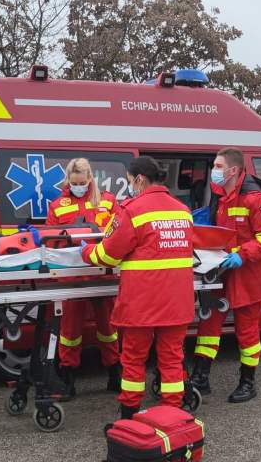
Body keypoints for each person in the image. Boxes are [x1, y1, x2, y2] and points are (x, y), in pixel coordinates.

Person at [81, 157, 194, 416]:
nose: (130, 186)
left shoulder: (132, 210)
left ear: (139, 179)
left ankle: (129, 415)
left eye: (130, 181)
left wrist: (85, 252)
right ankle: (173, 415)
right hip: (177, 301)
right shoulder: (182, 210)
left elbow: (107, 256)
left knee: (133, 359)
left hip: (143, 302)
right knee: (172, 358)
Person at [186, 149, 261, 405]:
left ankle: (247, 381)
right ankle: (201, 376)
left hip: (248, 271)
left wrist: (242, 255)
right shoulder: (221, 196)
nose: (215, 170)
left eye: (218, 165)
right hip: (222, 269)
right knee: (209, 322)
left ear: (233, 170)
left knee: (247, 328)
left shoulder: (257, 200)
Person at [47, 158, 121, 400]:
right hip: (72, 275)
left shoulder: (107, 201)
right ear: (68, 180)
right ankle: (68, 378)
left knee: (109, 328)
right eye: (74, 182)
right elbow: (51, 239)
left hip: (102, 271)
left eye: (83, 181)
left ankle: (114, 374)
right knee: (69, 331)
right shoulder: (57, 205)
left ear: (90, 179)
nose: (79, 185)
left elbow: (119, 229)